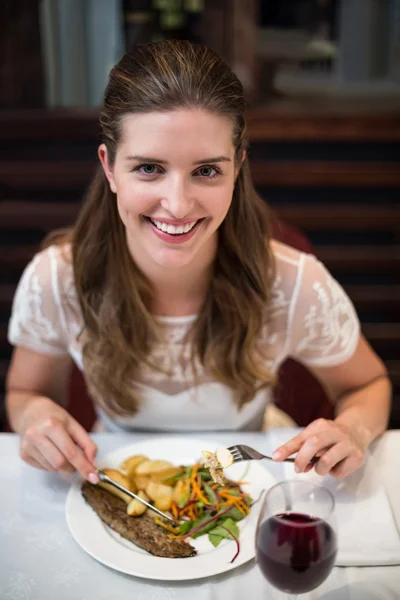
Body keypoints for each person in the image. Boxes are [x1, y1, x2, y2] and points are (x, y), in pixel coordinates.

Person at [6, 40, 391, 485]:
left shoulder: (294, 282)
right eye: (149, 168)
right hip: (114, 478)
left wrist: (352, 429)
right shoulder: (56, 279)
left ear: (237, 168)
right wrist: (35, 417)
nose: (177, 204)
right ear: (109, 167)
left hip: (250, 480)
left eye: (206, 171)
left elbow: (367, 385)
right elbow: (25, 393)